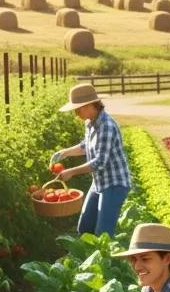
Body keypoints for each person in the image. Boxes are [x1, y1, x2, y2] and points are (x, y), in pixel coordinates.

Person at [51, 82, 132, 237]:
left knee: (103, 234)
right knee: (85, 227)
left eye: (77, 109)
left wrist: (71, 172)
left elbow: (100, 161)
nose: (76, 113)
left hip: (115, 184)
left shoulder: (107, 126)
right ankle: (86, 258)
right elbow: (85, 146)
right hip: (99, 182)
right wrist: (63, 153)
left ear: (89, 105)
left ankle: (107, 259)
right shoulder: (90, 123)